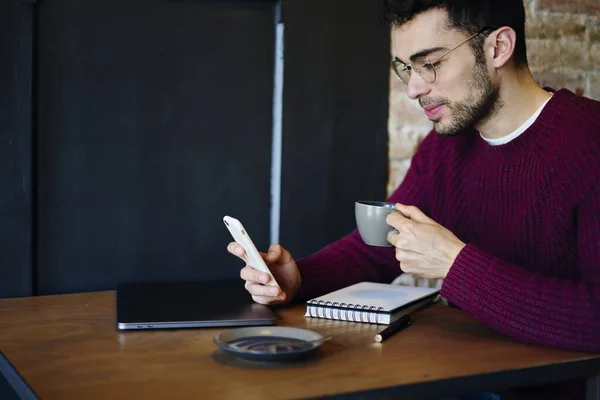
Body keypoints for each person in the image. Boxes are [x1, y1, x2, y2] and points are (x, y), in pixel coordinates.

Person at [228, 0, 600, 398]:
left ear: (498, 47)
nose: (413, 89)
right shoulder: (445, 149)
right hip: (456, 374)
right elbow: (381, 245)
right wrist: (301, 277)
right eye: (406, 67)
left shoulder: (589, 142)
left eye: (430, 63)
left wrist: (456, 265)